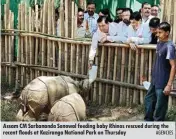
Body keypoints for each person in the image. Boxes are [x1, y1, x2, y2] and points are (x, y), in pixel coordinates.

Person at [144, 22, 176, 121]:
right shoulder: (159, 43)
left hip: (163, 81)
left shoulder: (170, 46)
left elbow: (173, 66)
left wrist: (169, 84)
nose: (157, 35)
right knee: (149, 99)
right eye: (157, 32)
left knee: (160, 105)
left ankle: (158, 126)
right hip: (154, 79)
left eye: (160, 32)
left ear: (167, 33)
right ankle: (148, 121)